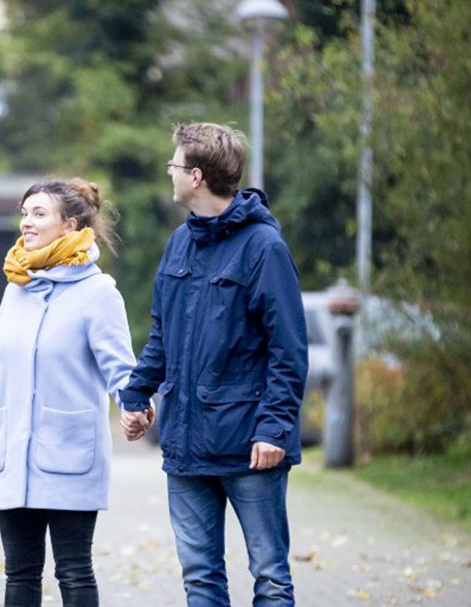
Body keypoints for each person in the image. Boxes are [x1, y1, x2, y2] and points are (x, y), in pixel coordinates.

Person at [120, 122, 308, 607]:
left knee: (269, 576)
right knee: (200, 577)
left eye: (175, 164)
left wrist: (274, 428)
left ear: (197, 176)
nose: (170, 172)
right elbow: (162, 334)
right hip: (186, 441)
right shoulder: (180, 243)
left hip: (250, 445)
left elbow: (288, 350)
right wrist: (136, 394)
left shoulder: (264, 248)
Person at [0, 178, 138, 607]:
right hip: (15, 456)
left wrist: (135, 408)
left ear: (69, 224)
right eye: (25, 214)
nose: (27, 223)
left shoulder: (98, 293)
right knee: (19, 575)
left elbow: (121, 369)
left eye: (39, 214)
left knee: (74, 572)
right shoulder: (15, 288)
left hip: (71, 456)